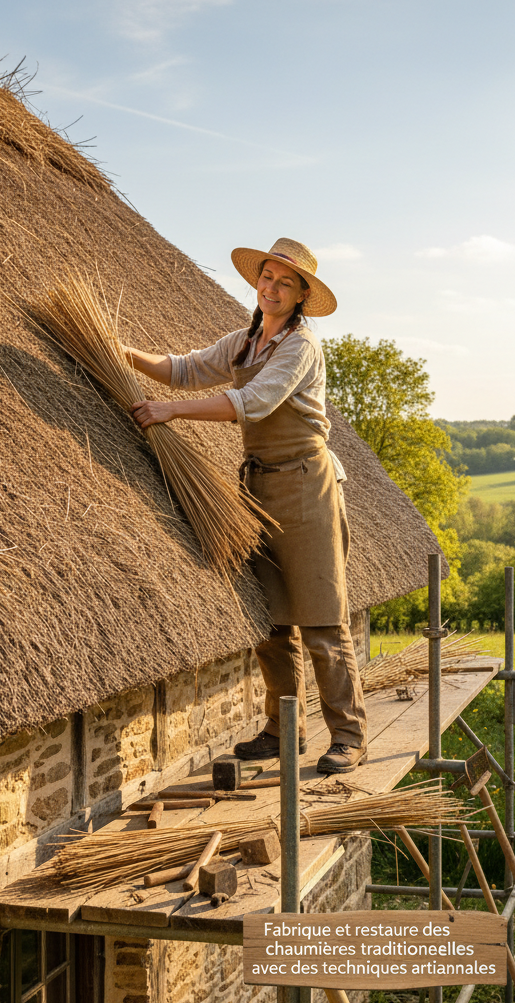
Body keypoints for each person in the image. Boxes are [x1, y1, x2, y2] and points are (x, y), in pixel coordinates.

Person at [125, 238, 367, 775]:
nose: (272, 288)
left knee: (322, 620)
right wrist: (125, 354)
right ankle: (284, 732)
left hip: (307, 486)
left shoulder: (301, 347)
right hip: (257, 488)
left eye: (285, 282)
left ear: (302, 294)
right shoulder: (244, 342)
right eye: (267, 277)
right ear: (257, 281)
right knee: (272, 620)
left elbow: (253, 402)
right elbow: (186, 368)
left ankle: (349, 736)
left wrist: (170, 412)